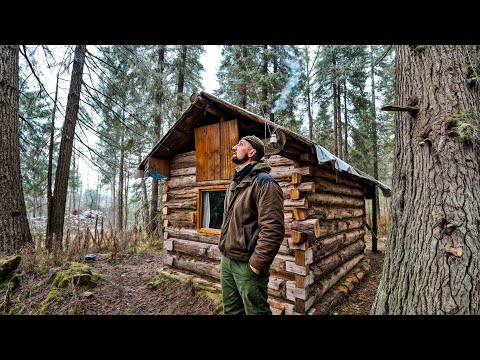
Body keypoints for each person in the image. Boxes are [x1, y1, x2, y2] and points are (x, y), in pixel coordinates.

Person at [218, 135, 285, 315]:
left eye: (240, 144)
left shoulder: (265, 182)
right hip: (227, 259)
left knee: (256, 312)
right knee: (231, 311)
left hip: (247, 264)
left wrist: (257, 263)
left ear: (252, 152)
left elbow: (273, 228)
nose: (234, 147)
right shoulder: (235, 183)